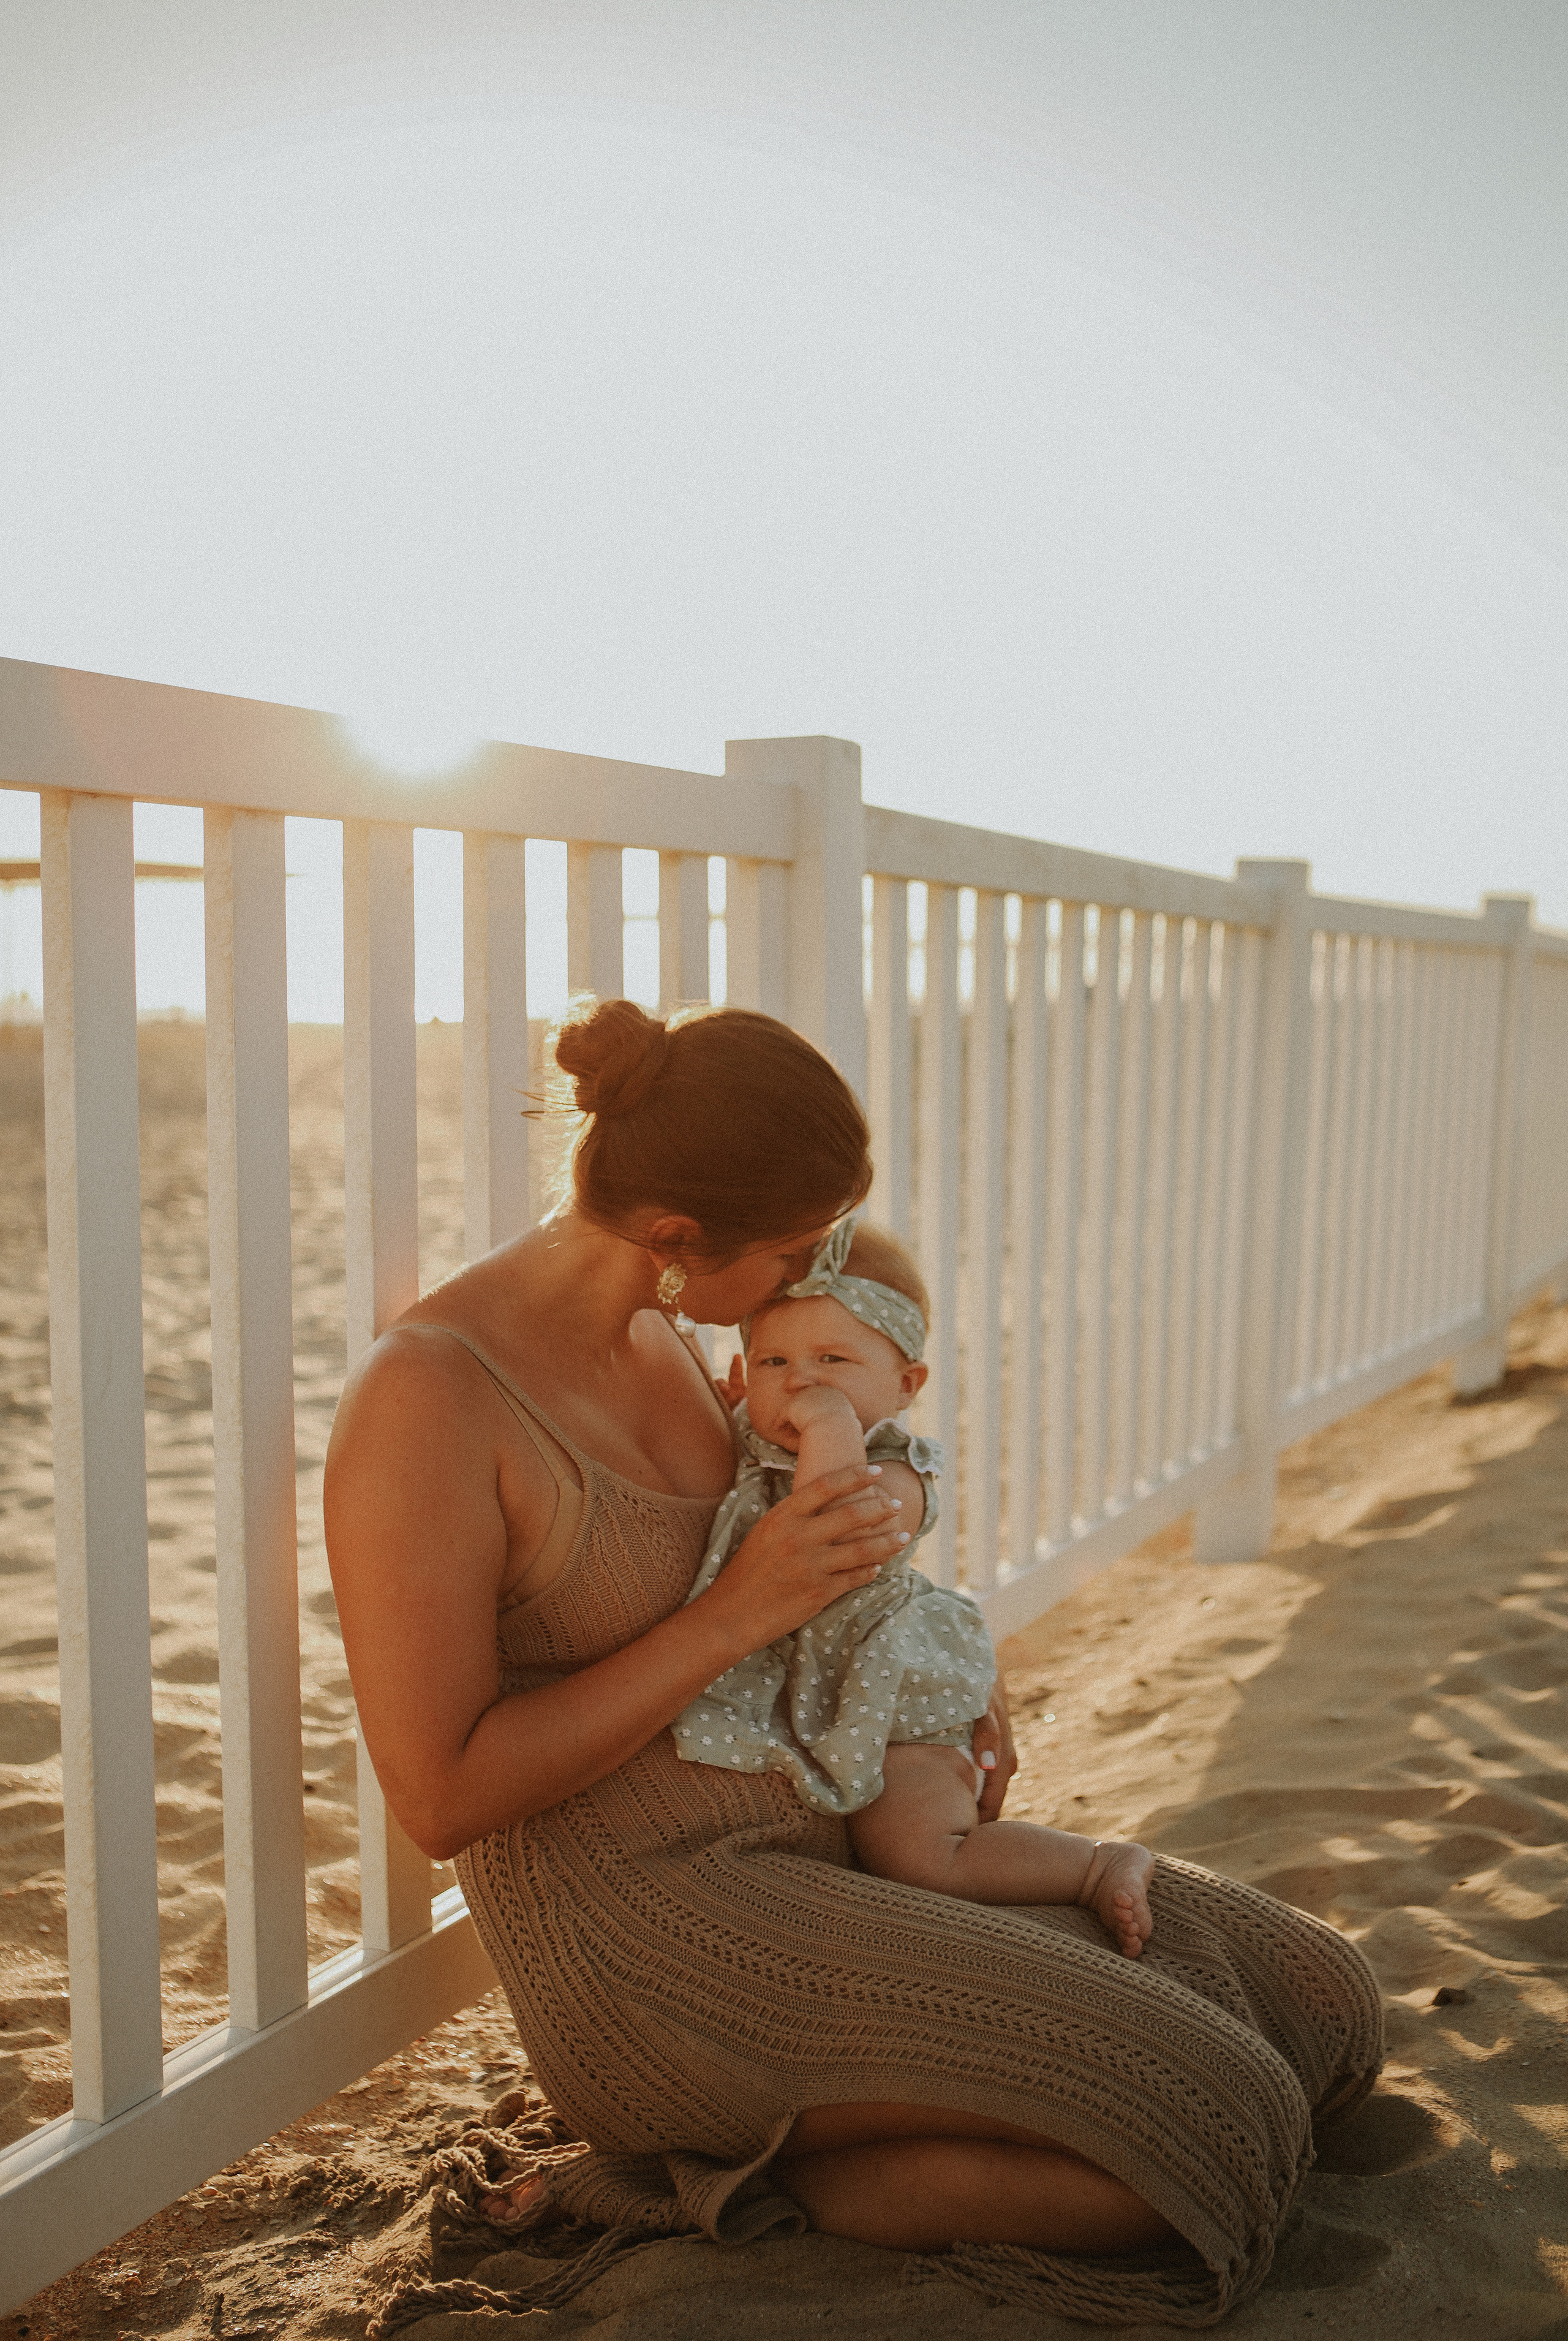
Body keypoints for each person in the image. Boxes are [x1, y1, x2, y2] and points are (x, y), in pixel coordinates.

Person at [324, 996, 1382, 2324]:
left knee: (1318, 2004)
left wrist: (940, 1673)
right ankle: (714, 2184)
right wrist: (731, 1615)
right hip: (654, 1944)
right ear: (675, 1239)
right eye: (796, 1246)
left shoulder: (683, 1335)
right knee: (1215, 2124)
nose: (818, 1271)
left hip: (838, 1853)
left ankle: (882, 2110)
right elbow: (440, 1796)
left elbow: (818, 1550)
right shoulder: (431, 1397)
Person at [673, 1215, 1155, 1957]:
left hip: (894, 1694)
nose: (801, 1382)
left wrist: (827, 1422)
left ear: (905, 1385)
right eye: (773, 1361)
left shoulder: (896, 1469)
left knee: (920, 1854)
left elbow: (828, 1524)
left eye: (832, 1360)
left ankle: (1094, 1866)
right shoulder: (757, 1439)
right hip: (817, 1684)